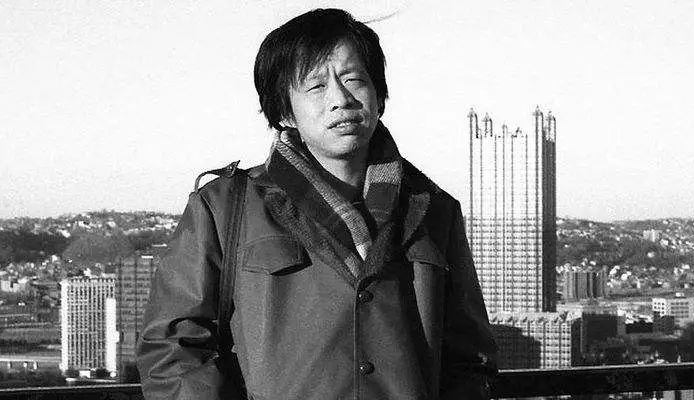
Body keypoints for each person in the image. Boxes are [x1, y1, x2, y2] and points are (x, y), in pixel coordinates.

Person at [137, 8, 497, 400]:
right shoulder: (224, 208)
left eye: (353, 79)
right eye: (316, 86)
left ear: (379, 96)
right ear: (285, 111)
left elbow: (469, 359)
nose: (340, 99)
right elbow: (173, 349)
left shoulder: (433, 210)